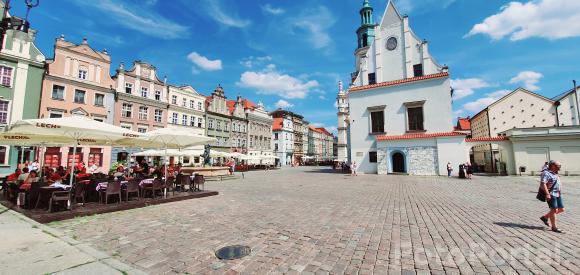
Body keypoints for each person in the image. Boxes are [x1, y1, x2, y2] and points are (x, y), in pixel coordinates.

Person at [539, 161, 565, 233]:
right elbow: (542, 184)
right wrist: (547, 194)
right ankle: (554, 227)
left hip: (558, 193)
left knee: (561, 209)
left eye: (560, 165)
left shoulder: (555, 172)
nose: (560, 167)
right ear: (552, 165)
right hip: (551, 194)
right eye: (558, 165)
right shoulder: (546, 173)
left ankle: (545, 217)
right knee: (554, 210)